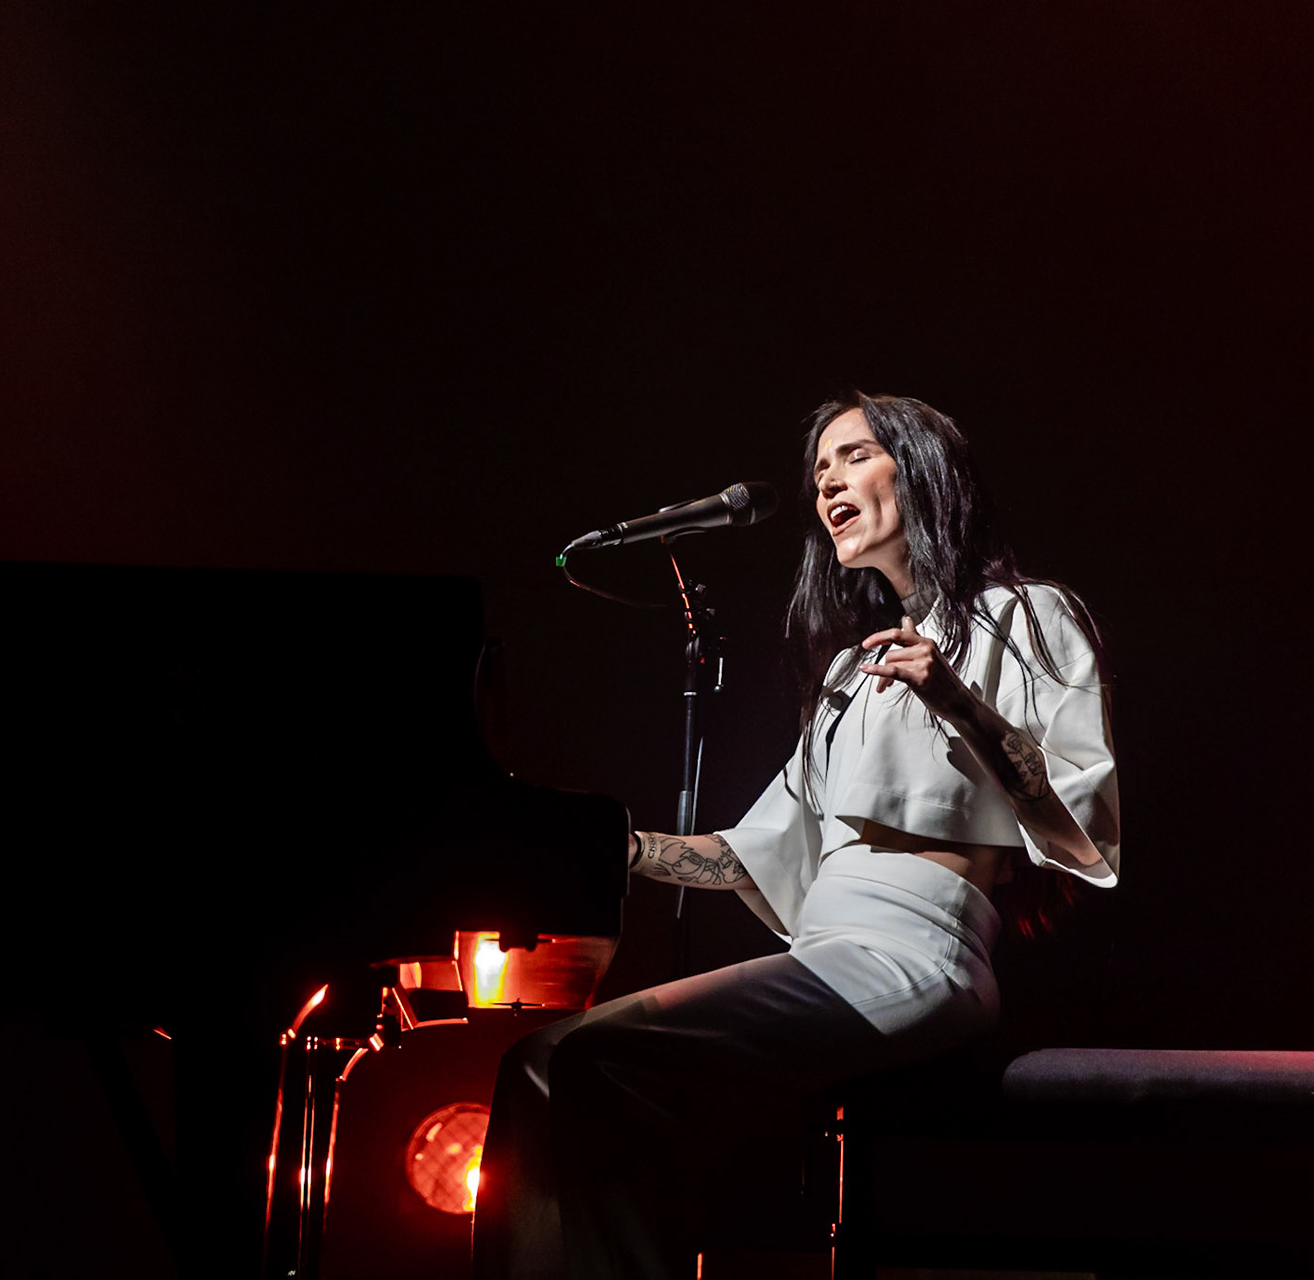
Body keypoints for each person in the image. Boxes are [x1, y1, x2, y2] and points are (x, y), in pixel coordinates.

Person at [472, 393, 1120, 1280]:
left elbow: (1078, 824)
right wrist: (596, 841)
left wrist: (957, 699)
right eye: (819, 470)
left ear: (921, 468)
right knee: (538, 1066)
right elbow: (754, 851)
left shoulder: (1029, 613)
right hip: (827, 942)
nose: (827, 485)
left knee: (594, 1060)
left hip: (917, 951)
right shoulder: (857, 668)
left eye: (852, 457)